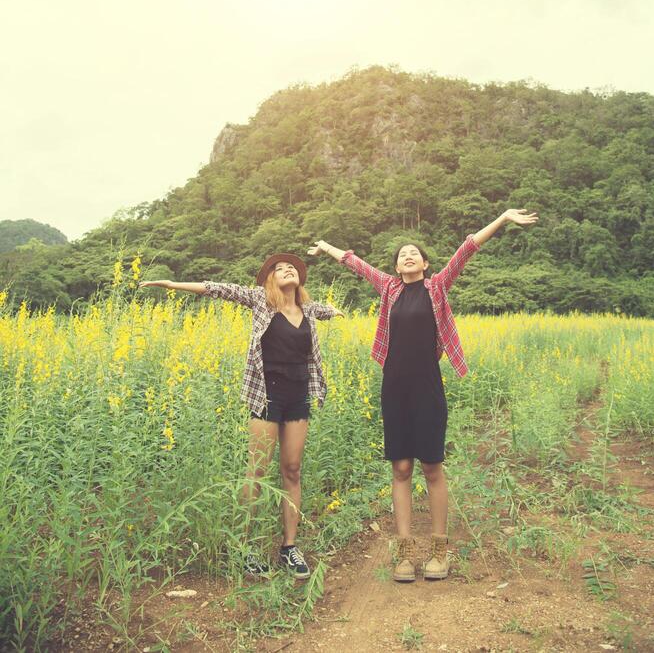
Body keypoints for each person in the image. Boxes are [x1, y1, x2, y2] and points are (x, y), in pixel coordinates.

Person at [309, 207, 538, 583]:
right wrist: (327, 247)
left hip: (428, 386)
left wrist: (503, 217)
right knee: (400, 468)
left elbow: (467, 248)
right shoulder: (389, 288)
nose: (407, 256)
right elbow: (356, 263)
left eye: (414, 253)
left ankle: (439, 550)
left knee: (432, 466)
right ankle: (403, 553)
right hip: (394, 386)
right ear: (397, 267)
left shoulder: (437, 286)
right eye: (402, 255)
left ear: (426, 263)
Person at [140, 252, 342, 579]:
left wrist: (333, 310)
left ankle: (289, 548)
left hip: (298, 396)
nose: (287, 270)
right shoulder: (261, 301)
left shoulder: (308, 309)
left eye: (291, 267)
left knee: (292, 470)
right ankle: (245, 547)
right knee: (257, 471)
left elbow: (325, 310)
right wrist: (172, 284)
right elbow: (217, 288)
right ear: (269, 280)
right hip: (267, 394)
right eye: (279, 269)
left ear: (299, 279)